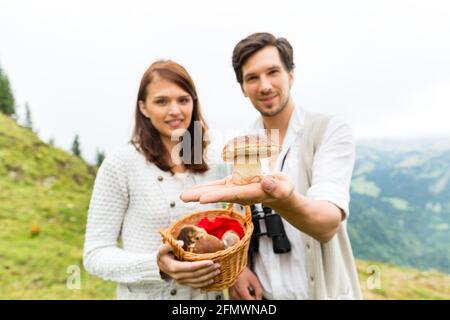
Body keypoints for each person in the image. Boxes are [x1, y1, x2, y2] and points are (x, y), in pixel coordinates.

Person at [181, 32, 362, 300]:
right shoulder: (242, 147)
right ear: (242, 87)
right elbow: (240, 227)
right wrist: (239, 270)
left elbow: (327, 225)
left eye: (273, 72)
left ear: (291, 75)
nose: (264, 86)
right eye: (252, 78)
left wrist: (279, 199)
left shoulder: (328, 131)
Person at [83, 60, 224, 300]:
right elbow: (95, 254)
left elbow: (226, 233)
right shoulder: (122, 162)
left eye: (183, 99)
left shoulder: (212, 162)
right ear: (143, 108)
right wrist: (156, 265)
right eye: (161, 101)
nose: (175, 110)